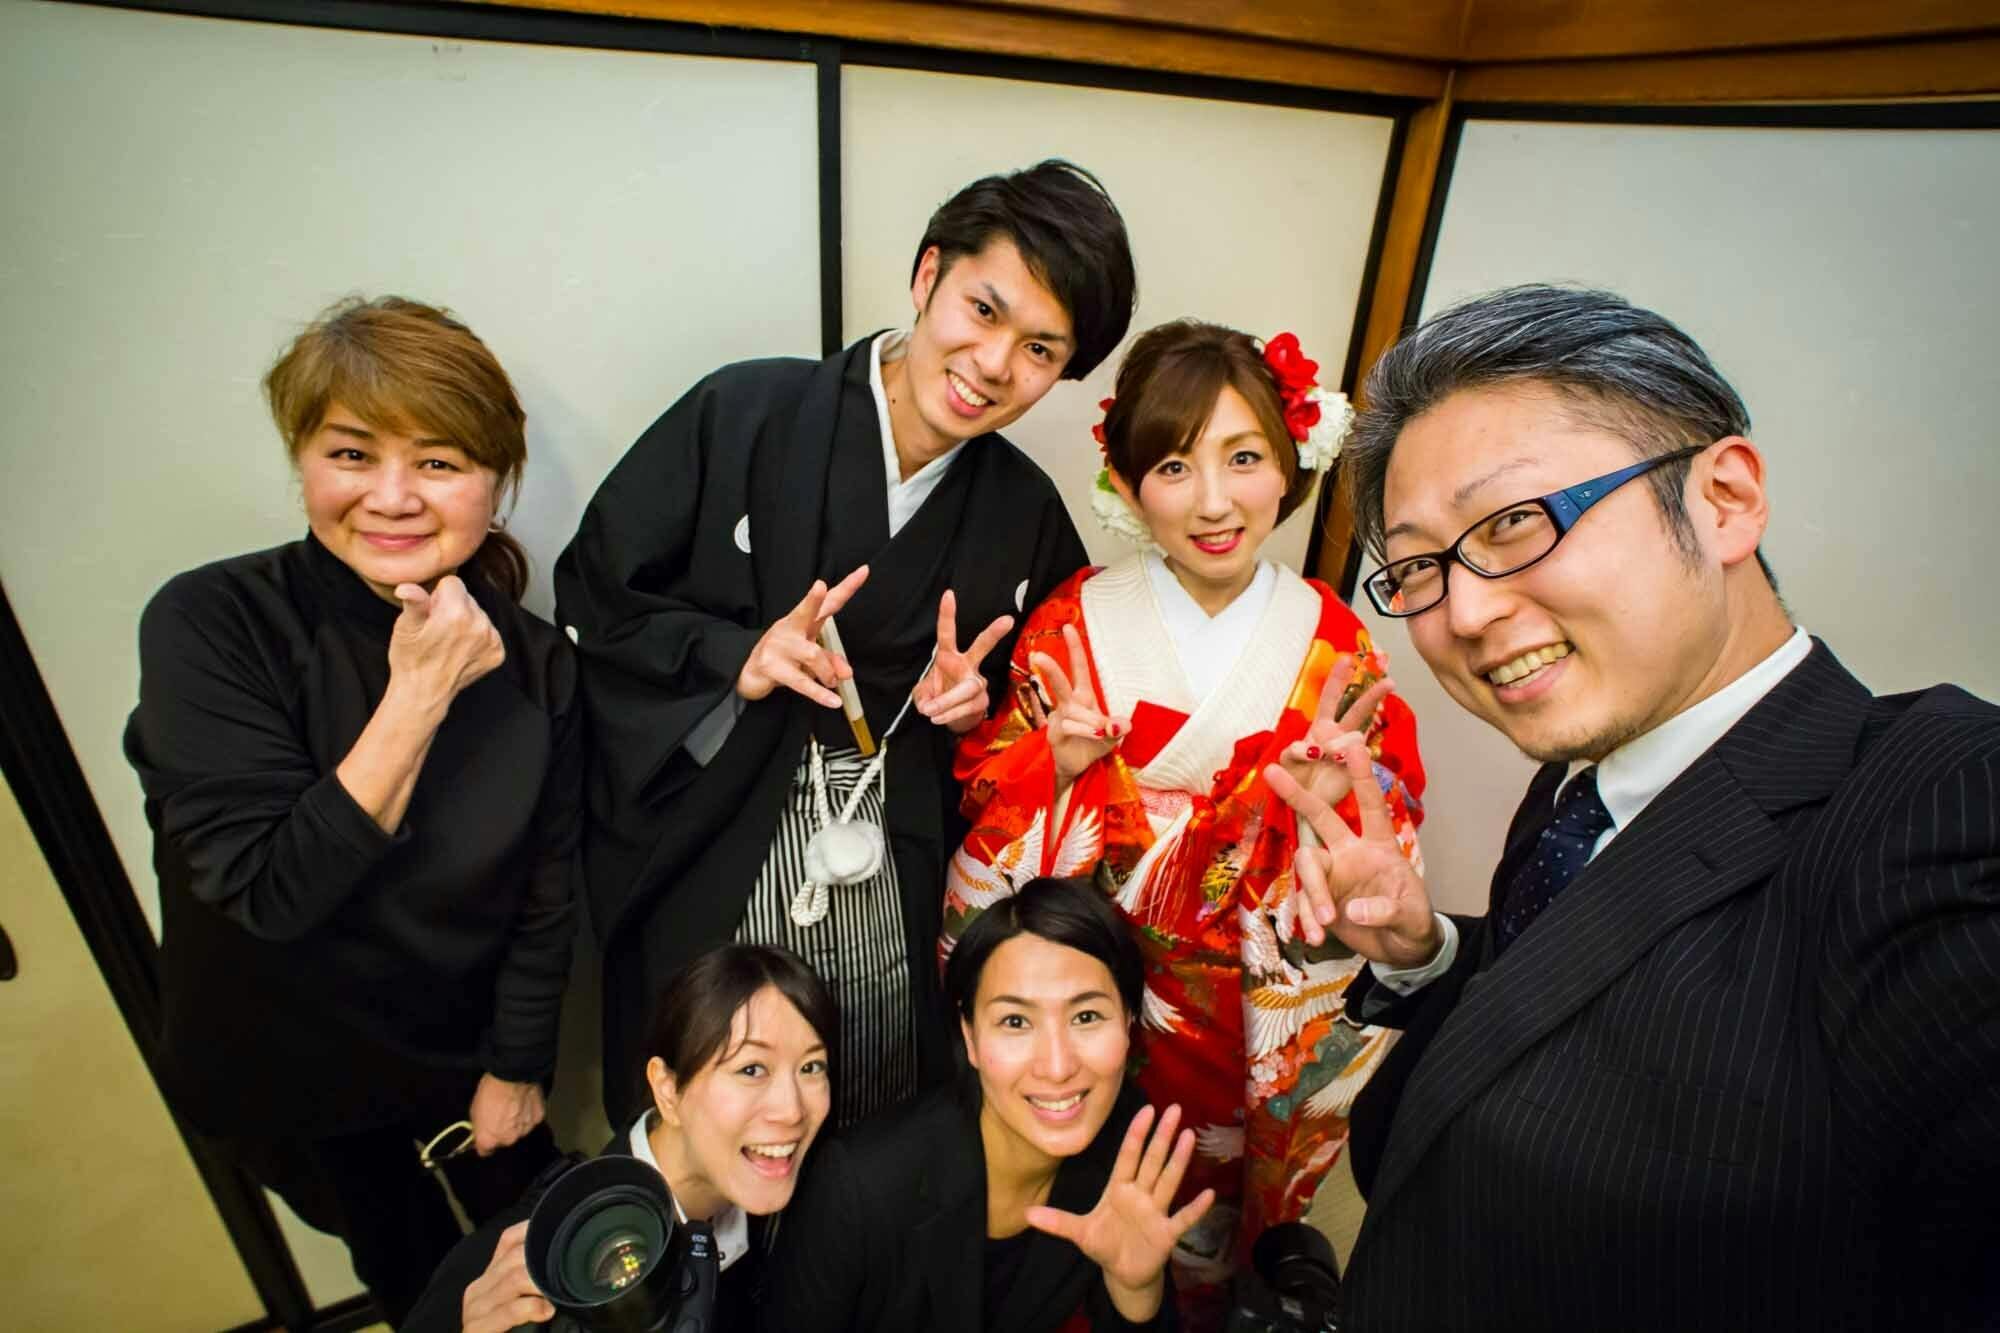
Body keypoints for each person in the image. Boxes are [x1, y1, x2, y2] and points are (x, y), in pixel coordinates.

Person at [1265, 284, 2000, 1331]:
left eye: (1513, 521)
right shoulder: (1577, 790)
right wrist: (1425, 948)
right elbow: (1569, 997)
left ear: (1724, 499)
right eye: (1420, 566)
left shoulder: (1945, 814)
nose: (1463, 612)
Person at [556, 160, 1137, 1127]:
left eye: (1039, 348)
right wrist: (733, 658)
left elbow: (1047, 722)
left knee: (863, 1102)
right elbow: (599, 593)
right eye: (983, 310)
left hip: (889, 866)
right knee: (708, 1098)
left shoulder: (1024, 511)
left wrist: (980, 713)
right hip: (719, 832)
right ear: (927, 275)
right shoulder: (744, 413)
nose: (995, 364)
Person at [942, 320, 1426, 1323]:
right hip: (1086, 1002)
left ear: (1290, 464)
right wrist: (1051, 765)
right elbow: (989, 797)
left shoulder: (1332, 642)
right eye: (1173, 465)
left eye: (1244, 458)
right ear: (1125, 483)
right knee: (1061, 1222)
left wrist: (1320, 809)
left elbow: (1382, 831)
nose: (1213, 501)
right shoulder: (1074, 619)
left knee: (1208, 1237)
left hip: (1246, 1019)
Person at [123, 296, 578, 1324]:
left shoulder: (540, 665)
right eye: (352, 454)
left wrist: (516, 1067)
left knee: (553, 1262)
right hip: (293, 1075)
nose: (393, 497)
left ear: (495, 483)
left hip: (458, 1055)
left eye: (438, 461)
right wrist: (418, 692)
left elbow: (545, 895)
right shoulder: (212, 621)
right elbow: (274, 891)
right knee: (426, 1289)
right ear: (303, 462)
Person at [763, 876, 1210, 1332]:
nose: (1057, 1067)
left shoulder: (1127, 1142)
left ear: (1129, 1023)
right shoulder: (860, 1186)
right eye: (1015, 1022)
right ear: (971, 1038)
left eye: (1086, 1016)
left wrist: (1136, 1290)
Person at [403, 943, 837, 1333]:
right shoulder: (514, 1270)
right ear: (667, 1089)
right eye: (751, 1069)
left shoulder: (809, 1204)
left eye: (811, 1067)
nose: (792, 1110)